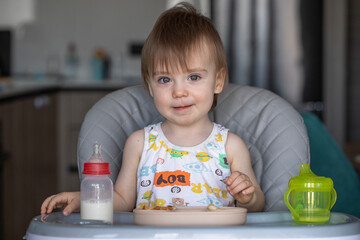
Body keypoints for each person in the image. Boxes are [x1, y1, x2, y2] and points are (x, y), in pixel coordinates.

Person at [41, 2, 265, 216]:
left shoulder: (230, 146)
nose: (179, 92)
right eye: (165, 79)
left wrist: (247, 197)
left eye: (193, 77)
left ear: (218, 81)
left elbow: (257, 205)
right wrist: (86, 200)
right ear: (150, 85)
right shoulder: (140, 144)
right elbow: (122, 201)